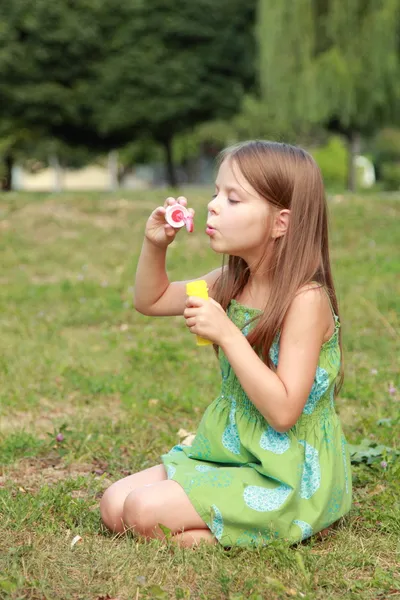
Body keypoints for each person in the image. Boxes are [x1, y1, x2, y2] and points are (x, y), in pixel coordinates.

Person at [100, 140, 352, 548]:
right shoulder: (231, 283)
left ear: (281, 223)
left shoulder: (306, 300)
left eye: (233, 199)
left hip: (284, 468)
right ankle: (237, 525)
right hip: (232, 448)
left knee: (142, 513)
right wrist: (155, 244)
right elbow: (152, 299)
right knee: (115, 505)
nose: (214, 205)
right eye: (216, 192)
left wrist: (228, 333)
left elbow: (285, 412)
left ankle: (291, 519)